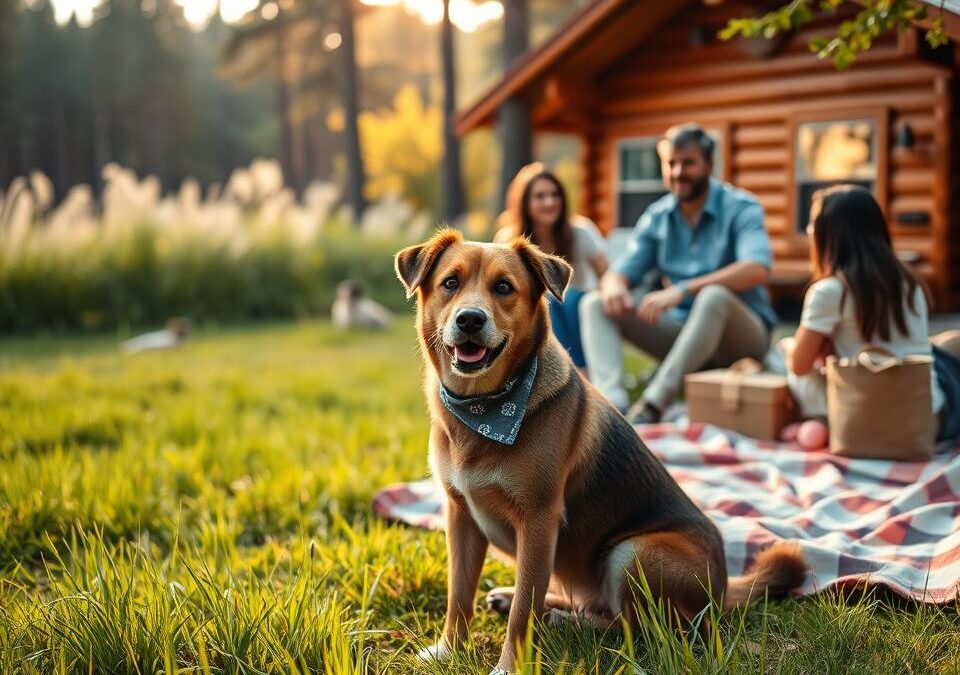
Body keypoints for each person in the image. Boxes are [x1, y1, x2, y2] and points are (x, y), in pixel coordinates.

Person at [581, 123, 777, 422]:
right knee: (595, 303)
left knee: (712, 296)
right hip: (684, 335)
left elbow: (758, 268)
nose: (677, 172)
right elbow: (620, 271)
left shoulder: (741, 208)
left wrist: (685, 289)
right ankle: (614, 408)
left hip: (742, 339)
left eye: (688, 163)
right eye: (671, 163)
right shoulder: (658, 216)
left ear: (709, 165)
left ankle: (652, 404)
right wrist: (614, 286)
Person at [780, 184, 960, 444]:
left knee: (787, 352)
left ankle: (821, 423)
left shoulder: (829, 291)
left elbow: (799, 366)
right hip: (925, 422)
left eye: (811, 226)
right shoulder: (911, 284)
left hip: (866, 423)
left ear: (825, 234)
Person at [495, 165, 608, 370]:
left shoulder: (581, 231)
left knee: (567, 298)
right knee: (546, 301)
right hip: (537, 314)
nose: (550, 202)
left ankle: (578, 370)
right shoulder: (507, 239)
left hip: (579, 311)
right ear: (525, 202)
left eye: (555, 195)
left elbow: (607, 276)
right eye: (540, 196)